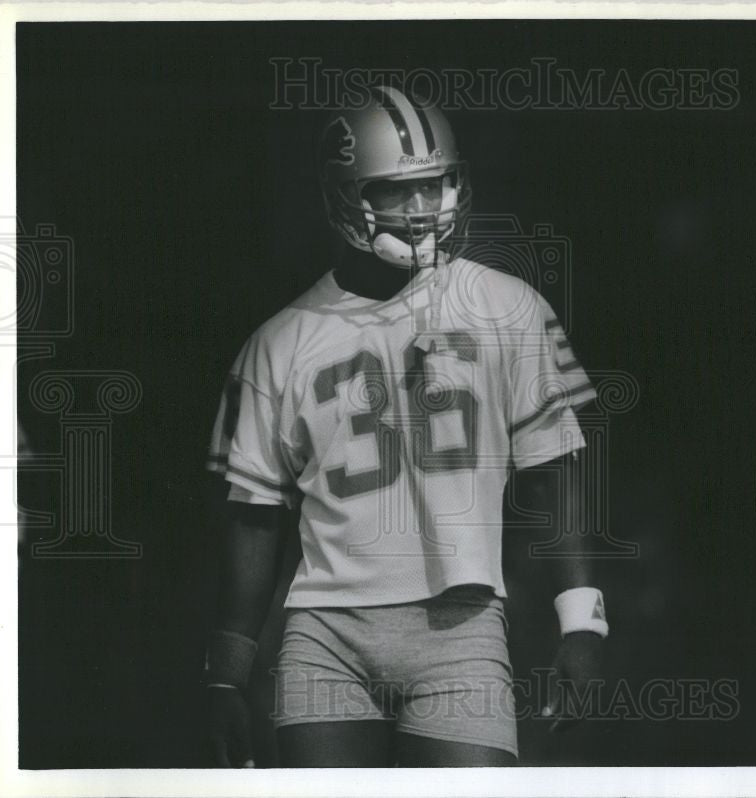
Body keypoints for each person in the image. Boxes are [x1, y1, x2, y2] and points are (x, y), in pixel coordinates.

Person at [204, 84, 608, 767]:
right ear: (345, 194)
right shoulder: (278, 344)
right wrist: (226, 671)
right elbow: (256, 517)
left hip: (462, 626)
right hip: (325, 633)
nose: (423, 208)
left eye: (436, 184)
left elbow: (551, 470)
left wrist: (583, 617)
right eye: (397, 191)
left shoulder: (508, 307)